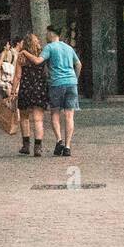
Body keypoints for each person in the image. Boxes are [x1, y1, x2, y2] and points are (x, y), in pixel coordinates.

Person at [25, 26, 81, 157]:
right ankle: (67, 147)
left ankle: (59, 140)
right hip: (72, 83)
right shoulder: (68, 48)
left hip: (56, 84)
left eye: (46, 33)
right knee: (69, 115)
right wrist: (75, 78)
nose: (45, 35)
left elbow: (38, 61)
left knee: (55, 113)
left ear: (51, 34)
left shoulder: (49, 47)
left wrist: (25, 53)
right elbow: (78, 64)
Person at [13, 33, 49, 156]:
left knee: (24, 118)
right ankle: (38, 147)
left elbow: (17, 76)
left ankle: (26, 145)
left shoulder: (21, 57)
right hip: (39, 89)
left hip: (26, 89)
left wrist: (13, 91)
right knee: (38, 120)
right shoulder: (42, 54)